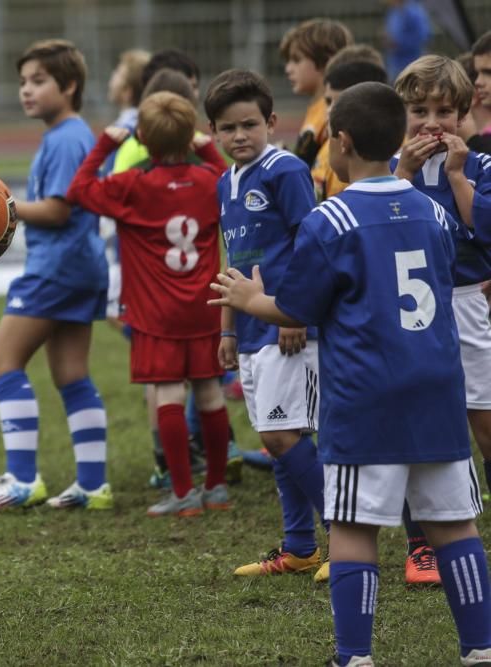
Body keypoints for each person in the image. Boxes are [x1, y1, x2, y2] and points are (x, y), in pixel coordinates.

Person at [210, 79, 491, 667]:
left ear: (339, 143)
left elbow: (297, 307)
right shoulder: (432, 211)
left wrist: (249, 298)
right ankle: (481, 648)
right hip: (438, 388)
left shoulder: (331, 218)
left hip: (367, 394)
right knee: (455, 526)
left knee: (353, 528)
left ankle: (354, 656)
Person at [66, 91, 231, 516]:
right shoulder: (212, 181)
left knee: (168, 394)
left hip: (158, 314)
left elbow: (79, 189)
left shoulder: (131, 186)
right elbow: (228, 176)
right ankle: (216, 488)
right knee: (210, 393)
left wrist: (105, 144)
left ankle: (183, 493)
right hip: (206, 305)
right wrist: (207, 147)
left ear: (142, 137)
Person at [0, 39, 112, 513]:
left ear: (69, 85)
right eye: (23, 82)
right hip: (81, 267)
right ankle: (94, 485)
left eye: (38, 81)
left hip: (58, 268)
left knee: (2, 360)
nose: (26, 91)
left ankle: (23, 479)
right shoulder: (66, 135)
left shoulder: (68, 138)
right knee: (71, 374)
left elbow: (57, 209)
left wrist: (2, 207)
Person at [203, 69, 328, 577]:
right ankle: (300, 547)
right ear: (213, 131)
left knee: (283, 437)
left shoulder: (286, 170)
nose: (239, 136)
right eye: (227, 128)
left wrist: (293, 311)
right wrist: (228, 328)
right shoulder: (224, 184)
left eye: (249, 125)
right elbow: (232, 259)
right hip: (251, 332)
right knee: (277, 437)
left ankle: (344, 533)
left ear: (271, 122)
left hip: (285, 326)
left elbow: (310, 243)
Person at [391, 54, 491, 585]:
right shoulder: (389, 169)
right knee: (418, 419)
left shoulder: (479, 166)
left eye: (444, 111)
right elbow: (383, 224)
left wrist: (455, 175)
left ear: (465, 110)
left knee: (483, 418)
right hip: (410, 308)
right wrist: (404, 172)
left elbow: (486, 229)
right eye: (418, 109)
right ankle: (419, 544)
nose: (431, 122)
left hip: (468, 300)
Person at [280, 19, 354, 168]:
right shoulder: (316, 107)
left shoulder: (330, 111)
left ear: (326, 59)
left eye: (296, 60)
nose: (288, 69)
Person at [313, 59, 389, 200]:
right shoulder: (330, 145)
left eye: (341, 102)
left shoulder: (352, 160)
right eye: (328, 102)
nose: (331, 111)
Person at [382, 0, 431, 80]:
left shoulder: (415, 11)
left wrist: (398, 43)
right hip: (394, 65)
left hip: (412, 64)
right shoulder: (393, 12)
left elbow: (423, 37)